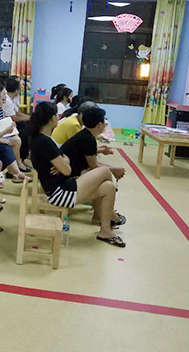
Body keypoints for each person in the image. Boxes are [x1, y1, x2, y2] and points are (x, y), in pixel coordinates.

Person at [30, 102, 126, 247]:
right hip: (59, 193)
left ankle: (105, 230)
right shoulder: (44, 141)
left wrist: (63, 162)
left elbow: (65, 159)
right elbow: (67, 170)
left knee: (108, 187)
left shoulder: (43, 138)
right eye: (56, 115)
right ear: (51, 118)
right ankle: (109, 215)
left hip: (62, 186)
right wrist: (63, 163)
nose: (58, 117)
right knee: (105, 171)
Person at [2, 77, 30, 164]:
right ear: (17, 90)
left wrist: (29, 117)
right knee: (25, 133)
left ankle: (23, 157)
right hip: (5, 124)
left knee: (28, 126)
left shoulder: (11, 99)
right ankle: (20, 159)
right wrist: (29, 118)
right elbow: (14, 117)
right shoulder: (8, 100)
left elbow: (17, 113)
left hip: (9, 122)